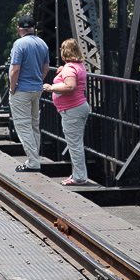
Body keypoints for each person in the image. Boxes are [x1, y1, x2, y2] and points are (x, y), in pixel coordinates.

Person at [43, 38, 91, 185]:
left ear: (65, 51)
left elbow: (70, 87)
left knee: (74, 144)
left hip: (72, 109)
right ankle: (77, 174)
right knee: (75, 143)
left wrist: (51, 88)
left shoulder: (70, 68)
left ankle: (79, 177)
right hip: (78, 107)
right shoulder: (78, 66)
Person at [8, 15, 50, 172]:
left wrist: (12, 88)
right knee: (34, 125)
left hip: (21, 90)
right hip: (37, 89)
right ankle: (34, 158)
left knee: (23, 125)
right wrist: (38, 80)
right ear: (34, 29)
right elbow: (46, 68)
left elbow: (15, 69)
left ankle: (33, 162)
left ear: (18, 29)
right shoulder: (42, 44)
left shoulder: (19, 44)